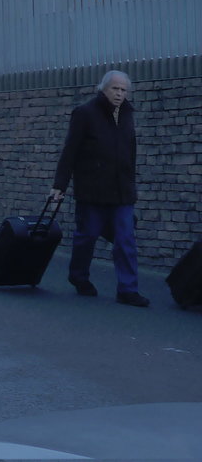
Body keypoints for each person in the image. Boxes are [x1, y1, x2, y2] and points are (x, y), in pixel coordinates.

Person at [50, 70, 149, 307]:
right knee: (87, 236)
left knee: (126, 240)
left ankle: (128, 289)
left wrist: (131, 185)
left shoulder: (127, 114)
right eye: (115, 88)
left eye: (124, 90)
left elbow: (130, 152)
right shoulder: (84, 113)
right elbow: (70, 152)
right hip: (92, 190)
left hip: (122, 192)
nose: (119, 93)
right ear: (103, 88)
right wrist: (59, 186)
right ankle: (79, 276)